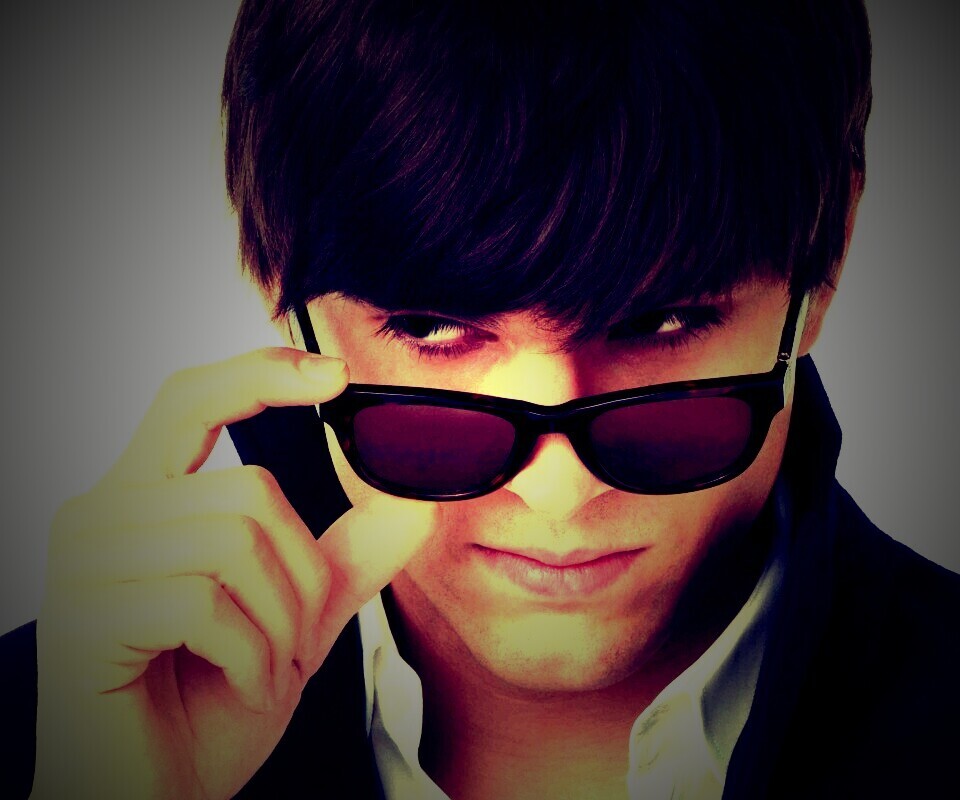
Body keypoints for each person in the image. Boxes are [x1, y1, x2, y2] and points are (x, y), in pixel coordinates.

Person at [2, 0, 958, 797]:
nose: (558, 494)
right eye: (430, 328)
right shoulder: (58, 736)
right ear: (274, 281)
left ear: (826, 260)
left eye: (663, 322)